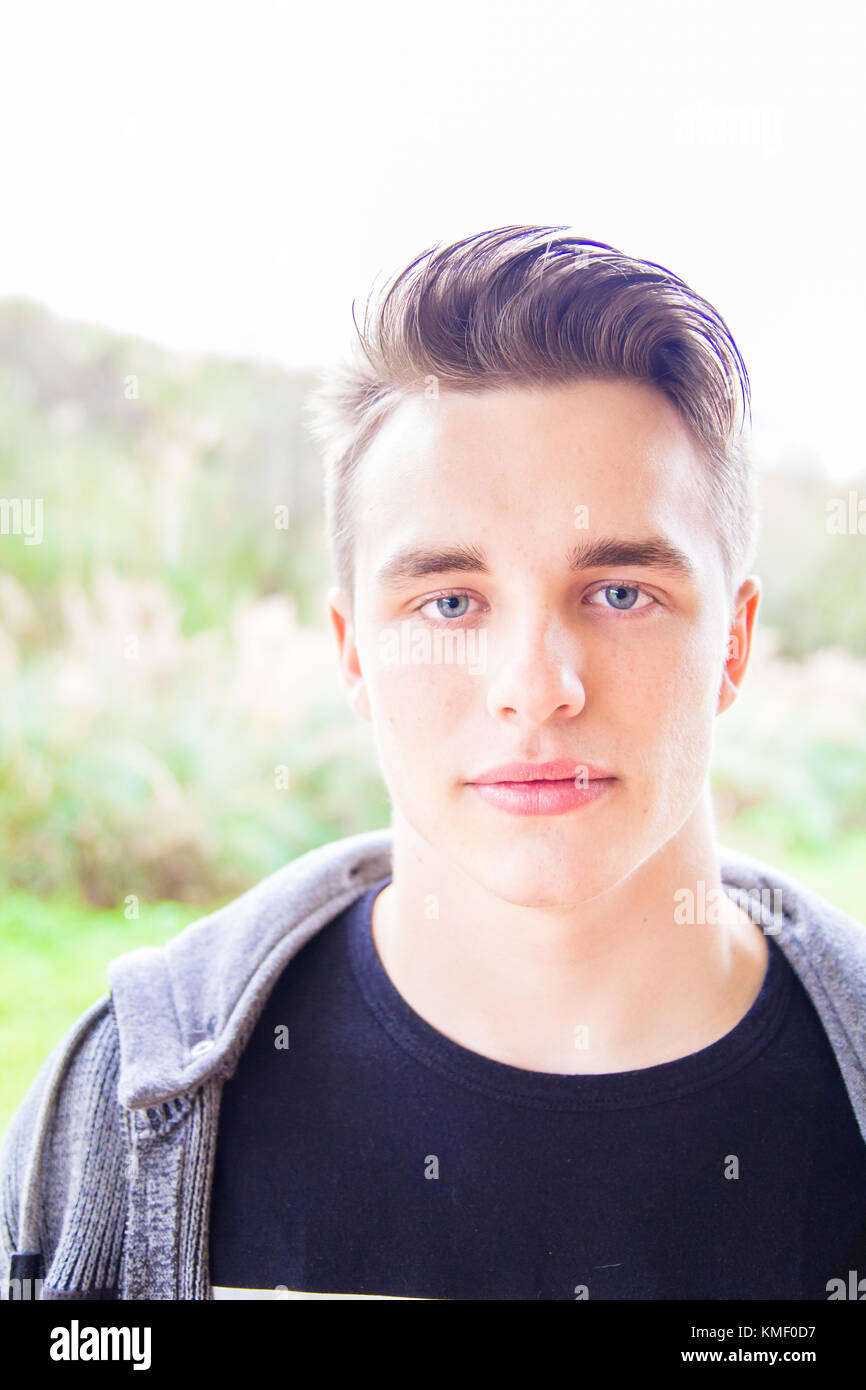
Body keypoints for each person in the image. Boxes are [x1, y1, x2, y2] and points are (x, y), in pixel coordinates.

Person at [2, 226, 865, 1302]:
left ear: (731, 644)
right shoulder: (114, 1119)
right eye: (449, 602)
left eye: (618, 592)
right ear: (354, 651)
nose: (536, 684)